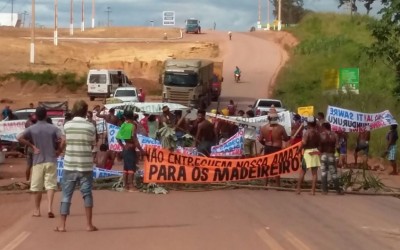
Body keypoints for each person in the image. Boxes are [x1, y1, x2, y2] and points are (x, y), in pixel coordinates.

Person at [56, 100, 97, 232]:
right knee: (87, 194)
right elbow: (92, 144)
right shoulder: (90, 127)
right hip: (85, 165)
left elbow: (64, 142)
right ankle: (89, 224)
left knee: (66, 195)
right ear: (86, 112)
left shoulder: (67, 125)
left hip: (70, 164)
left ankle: (62, 225)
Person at [17, 107, 64, 218]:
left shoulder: (32, 129)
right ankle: (49, 208)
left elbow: (19, 137)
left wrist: (32, 146)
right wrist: (59, 151)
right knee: (50, 185)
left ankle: (37, 210)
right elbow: (64, 139)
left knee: (37, 187)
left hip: (38, 160)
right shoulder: (53, 128)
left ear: (36, 116)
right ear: (46, 115)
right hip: (51, 159)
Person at [258, 107, 289, 186]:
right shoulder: (281, 128)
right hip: (276, 148)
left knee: (267, 166)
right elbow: (286, 138)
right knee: (277, 166)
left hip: (267, 148)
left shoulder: (263, 127)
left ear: (268, 118)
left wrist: (265, 144)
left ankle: (265, 184)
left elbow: (260, 139)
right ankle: (278, 185)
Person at [116, 110, 146, 191]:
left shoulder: (123, 125)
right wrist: (141, 150)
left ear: (125, 117)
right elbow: (135, 139)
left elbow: (117, 138)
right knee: (131, 168)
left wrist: (122, 146)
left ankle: (125, 185)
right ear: (132, 116)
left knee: (126, 168)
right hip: (130, 149)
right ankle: (131, 186)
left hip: (125, 148)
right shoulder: (133, 126)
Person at [296, 116, 321, 195]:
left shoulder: (307, 132)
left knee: (303, 171)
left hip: (308, 152)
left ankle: (298, 189)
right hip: (315, 151)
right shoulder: (317, 133)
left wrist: (299, 149)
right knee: (314, 173)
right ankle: (313, 190)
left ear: (309, 123)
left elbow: (304, 142)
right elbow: (319, 144)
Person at [319, 122, 342, 194]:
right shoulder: (335, 135)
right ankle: (338, 190)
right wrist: (339, 156)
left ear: (324, 128)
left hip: (323, 155)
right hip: (331, 155)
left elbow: (319, 147)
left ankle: (324, 190)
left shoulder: (321, 135)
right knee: (334, 173)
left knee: (323, 172)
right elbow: (337, 147)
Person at [24, 113, 37, 181]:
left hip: (29, 146)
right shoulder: (36, 126)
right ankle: (34, 181)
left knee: (29, 165)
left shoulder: (27, 123)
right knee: (36, 165)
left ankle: (27, 180)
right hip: (36, 147)